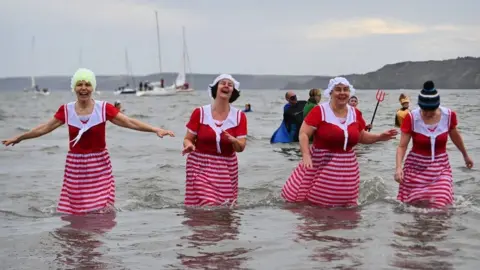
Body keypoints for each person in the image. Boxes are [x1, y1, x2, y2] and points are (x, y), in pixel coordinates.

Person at [2, 68, 175, 215]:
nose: (83, 88)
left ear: (93, 87)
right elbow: (44, 128)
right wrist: (20, 137)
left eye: (87, 84)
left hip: (99, 164)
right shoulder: (67, 110)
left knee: (101, 212)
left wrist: (155, 129)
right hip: (75, 165)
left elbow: (129, 122)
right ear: (74, 87)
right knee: (75, 213)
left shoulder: (103, 108)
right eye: (79, 84)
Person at [281, 77, 398, 207]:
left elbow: (360, 136)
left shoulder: (355, 113)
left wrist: (379, 136)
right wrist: (306, 155)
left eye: (345, 90)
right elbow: (303, 133)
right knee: (314, 208)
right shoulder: (320, 111)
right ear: (330, 93)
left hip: (348, 167)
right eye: (338, 90)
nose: (342, 93)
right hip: (320, 164)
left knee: (347, 212)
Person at [395, 81, 473, 208]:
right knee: (413, 207)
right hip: (415, 168)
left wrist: (465, 155)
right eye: (424, 109)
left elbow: (455, 136)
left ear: (437, 106)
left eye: (430, 110)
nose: (426, 113)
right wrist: (398, 168)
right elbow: (402, 146)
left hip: (440, 167)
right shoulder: (412, 118)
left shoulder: (448, 116)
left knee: (440, 204)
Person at [182, 74, 248, 207]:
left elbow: (240, 148)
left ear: (233, 92)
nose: (226, 86)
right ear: (215, 89)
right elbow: (188, 139)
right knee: (208, 204)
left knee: (225, 207)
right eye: (222, 83)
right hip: (199, 164)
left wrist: (234, 141)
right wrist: (189, 146)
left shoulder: (239, 116)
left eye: (230, 85)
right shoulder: (200, 113)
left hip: (227, 166)